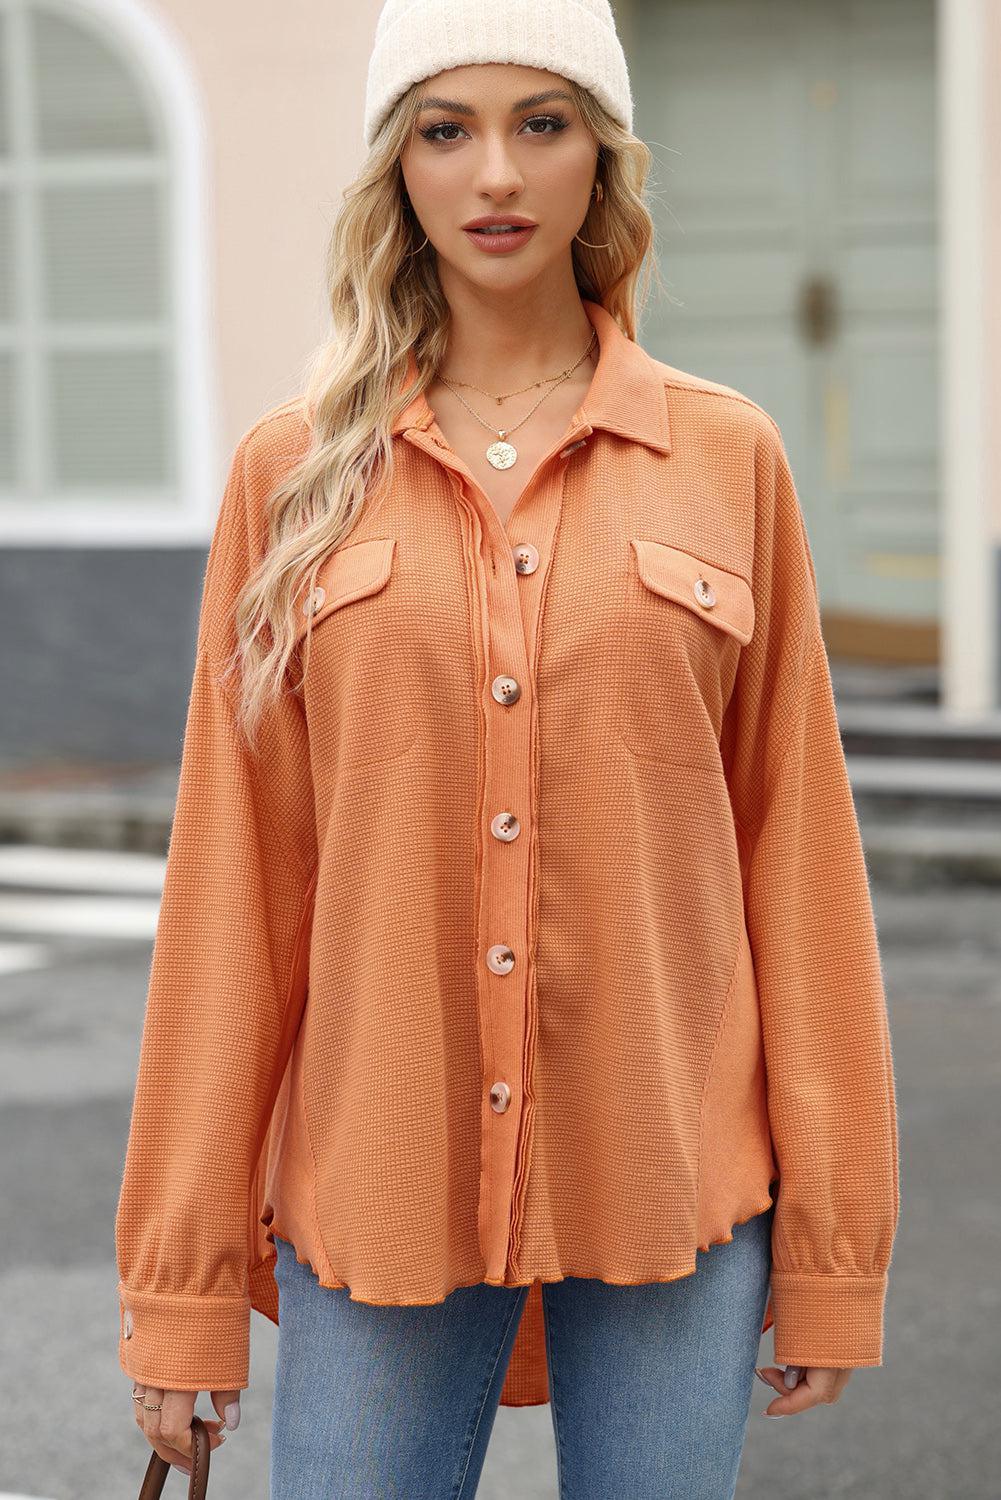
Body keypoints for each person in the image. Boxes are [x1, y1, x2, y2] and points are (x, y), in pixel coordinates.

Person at [117, 1, 901, 1496]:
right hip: (377, 1188)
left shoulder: (726, 458)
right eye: (444, 128)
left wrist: (832, 1245)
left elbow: (795, 868)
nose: (495, 176)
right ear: (393, 168)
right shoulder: (291, 476)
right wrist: (184, 1288)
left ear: (600, 164)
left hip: (674, 1182)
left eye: (541, 125)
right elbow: (235, 895)